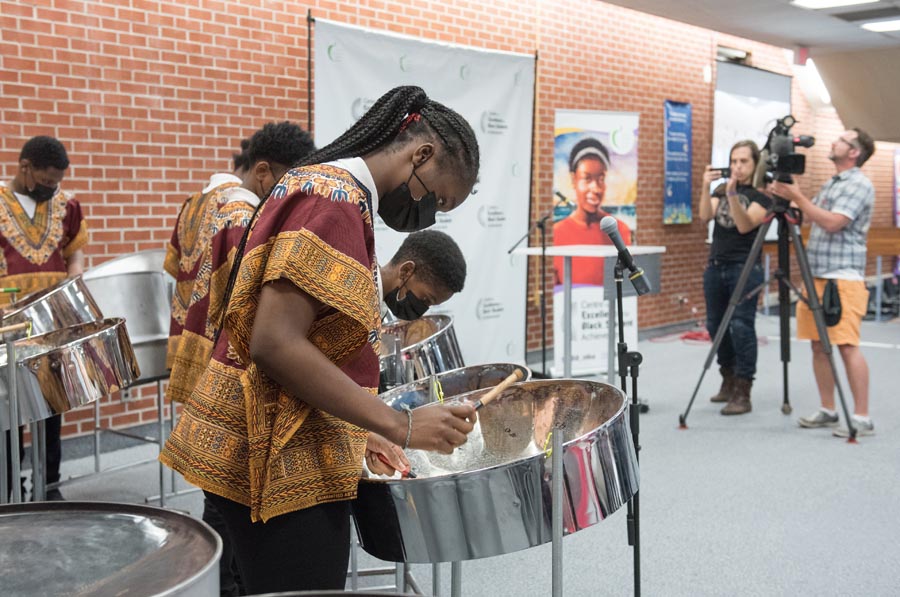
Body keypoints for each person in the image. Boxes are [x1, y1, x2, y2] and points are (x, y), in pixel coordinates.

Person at [160, 85, 480, 594]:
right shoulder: (332, 201)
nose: (431, 213)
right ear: (421, 154)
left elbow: (317, 344)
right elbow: (275, 343)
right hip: (270, 457)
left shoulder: (335, 195)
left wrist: (360, 426)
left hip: (285, 441)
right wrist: (399, 423)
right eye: (437, 197)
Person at [164, 122, 316, 597]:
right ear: (263, 173)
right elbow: (243, 299)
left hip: (190, 347)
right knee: (226, 484)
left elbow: (174, 267)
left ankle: (219, 579)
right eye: (287, 184)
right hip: (221, 362)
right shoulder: (240, 214)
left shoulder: (198, 202)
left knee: (215, 480)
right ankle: (223, 584)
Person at [770, 128, 876, 437]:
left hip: (842, 277)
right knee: (818, 346)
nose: (833, 142)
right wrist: (788, 197)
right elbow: (808, 214)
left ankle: (862, 417)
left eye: (842, 140)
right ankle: (828, 410)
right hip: (815, 274)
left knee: (845, 346)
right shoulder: (833, 182)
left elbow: (833, 222)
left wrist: (798, 196)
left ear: (854, 151)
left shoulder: (859, 183)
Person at [1, 136, 88, 500]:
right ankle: (10, 486)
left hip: (53, 319)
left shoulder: (67, 205)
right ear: (26, 168)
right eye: (48, 180)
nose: (54, 188)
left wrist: (74, 280)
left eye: (58, 182)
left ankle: (48, 483)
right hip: (8, 322)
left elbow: (75, 253)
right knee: (9, 406)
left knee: (52, 401)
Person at [698, 140, 771, 415]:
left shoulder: (762, 197)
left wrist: (731, 195)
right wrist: (707, 187)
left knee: (741, 326)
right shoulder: (721, 188)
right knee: (715, 325)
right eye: (733, 161)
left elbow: (743, 226)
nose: (737, 167)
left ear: (755, 165)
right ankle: (727, 378)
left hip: (744, 267)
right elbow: (705, 215)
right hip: (716, 265)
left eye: (743, 162)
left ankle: (743, 390)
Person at [552, 137, 632, 286]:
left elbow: (628, 281)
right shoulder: (557, 233)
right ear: (573, 179)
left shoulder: (620, 230)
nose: (595, 188)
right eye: (587, 179)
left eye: (601, 179)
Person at [379, 229, 466, 322]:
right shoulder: (362, 299)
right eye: (426, 300)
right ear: (406, 270)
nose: (422, 310)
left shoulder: (382, 314)